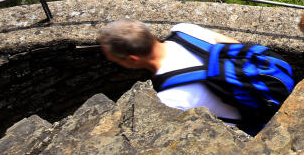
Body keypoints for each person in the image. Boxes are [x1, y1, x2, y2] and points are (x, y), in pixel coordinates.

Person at [98, 18, 245, 125]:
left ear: (132, 60)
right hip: (264, 84)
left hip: (249, 125)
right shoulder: (185, 31)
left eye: (116, 61)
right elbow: (238, 48)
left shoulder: (169, 99)